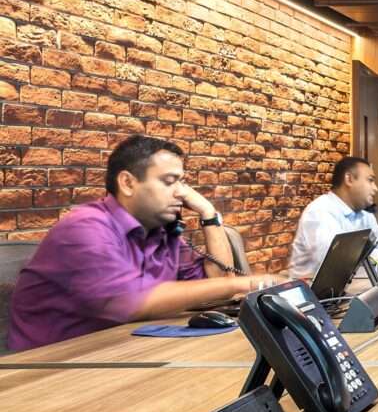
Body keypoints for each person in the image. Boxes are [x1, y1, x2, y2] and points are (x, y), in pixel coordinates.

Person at [8, 136, 278, 350]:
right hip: (50, 366)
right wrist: (244, 283)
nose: (181, 192)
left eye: (182, 182)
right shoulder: (85, 228)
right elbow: (131, 301)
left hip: (122, 351)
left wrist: (208, 214)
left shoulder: (160, 233)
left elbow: (218, 283)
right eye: (169, 181)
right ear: (127, 183)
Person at [289, 156, 378, 279]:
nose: (375, 188)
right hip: (312, 294)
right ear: (349, 179)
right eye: (370, 180)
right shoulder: (320, 211)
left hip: (350, 289)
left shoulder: (364, 215)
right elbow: (335, 261)